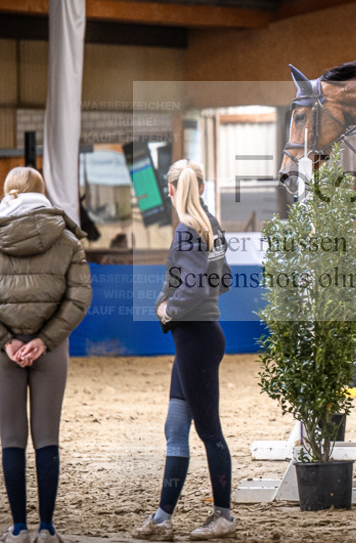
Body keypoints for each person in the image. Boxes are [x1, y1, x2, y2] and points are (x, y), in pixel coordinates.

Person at [0, 167, 91, 543]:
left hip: (4, 351)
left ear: (7, 192)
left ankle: (18, 528)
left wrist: (7, 341)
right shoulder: (66, 239)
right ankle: (47, 527)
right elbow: (79, 296)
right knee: (47, 436)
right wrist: (46, 340)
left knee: (11, 438)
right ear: (42, 193)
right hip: (51, 348)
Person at [133, 159, 234, 541]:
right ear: (203, 189)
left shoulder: (185, 230)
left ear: (171, 190)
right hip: (200, 338)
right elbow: (222, 281)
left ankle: (223, 516)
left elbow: (194, 288)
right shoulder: (211, 225)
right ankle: (162, 518)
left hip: (195, 339)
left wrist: (166, 309)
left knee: (210, 431)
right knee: (176, 427)